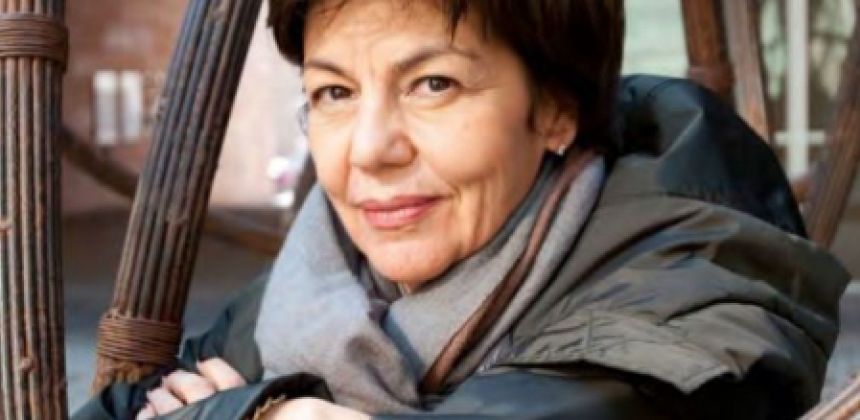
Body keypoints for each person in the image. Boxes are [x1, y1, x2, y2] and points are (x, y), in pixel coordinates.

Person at [74, 0, 851, 419]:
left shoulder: (689, 279)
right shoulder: (315, 281)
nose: (370, 149)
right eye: (335, 92)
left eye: (433, 84)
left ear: (554, 109)